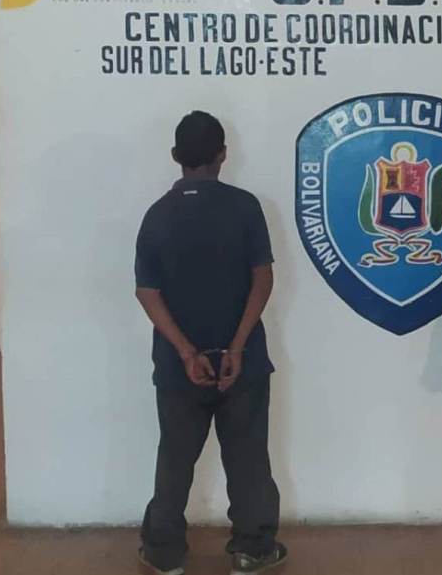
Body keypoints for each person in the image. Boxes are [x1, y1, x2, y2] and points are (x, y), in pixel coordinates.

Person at [135, 111, 286, 575]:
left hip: (178, 367)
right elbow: (263, 279)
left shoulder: (157, 215)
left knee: (174, 461)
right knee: (248, 460)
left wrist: (186, 352)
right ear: (223, 154)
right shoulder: (245, 207)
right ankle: (253, 550)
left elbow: (147, 292)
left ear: (175, 156)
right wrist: (237, 347)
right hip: (243, 363)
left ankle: (165, 554)